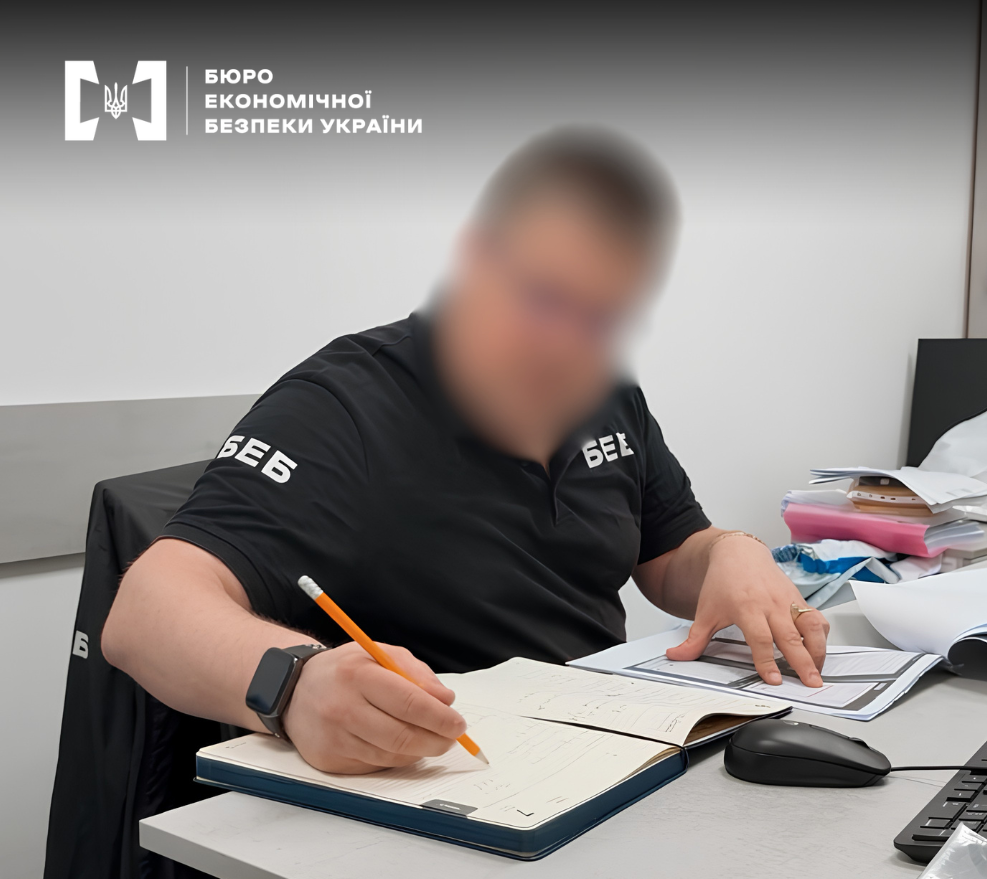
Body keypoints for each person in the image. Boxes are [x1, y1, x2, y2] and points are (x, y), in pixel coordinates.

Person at [101, 127, 829, 774]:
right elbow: (142, 614)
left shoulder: (604, 391)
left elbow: (669, 557)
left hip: (603, 759)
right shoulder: (345, 406)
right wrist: (296, 684)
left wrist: (729, 551)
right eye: (543, 299)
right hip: (441, 782)